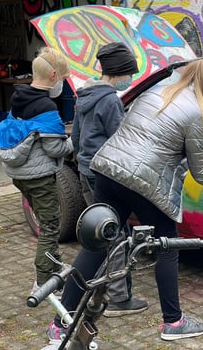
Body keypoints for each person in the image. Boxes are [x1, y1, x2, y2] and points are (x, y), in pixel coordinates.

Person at [47, 58, 203, 344]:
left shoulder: (155, 93)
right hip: (145, 183)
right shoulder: (198, 113)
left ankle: (61, 322)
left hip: (109, 170)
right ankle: (173, 322)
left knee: (96, 245)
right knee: (167, 247)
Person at [70, 42, 148, 317]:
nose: (131, 79)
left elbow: (76, 138)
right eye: (130, 74)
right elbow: (121, 142)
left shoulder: (84, 96)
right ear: (120, 72)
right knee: (115, 235)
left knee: (98, 232)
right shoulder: (111, 101)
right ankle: (118, 298)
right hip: (104, 175)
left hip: (86, 170)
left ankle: (94, 288)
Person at [0, 47, 73, 292]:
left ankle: (55, 265)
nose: (63, 84)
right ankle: (43, 280)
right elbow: (54, 149)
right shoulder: (46, 106)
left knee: (46, 218)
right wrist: (74, 141)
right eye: (63, 78)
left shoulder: (19, 95)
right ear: (53, 76)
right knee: (50, 225)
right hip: (39, 176)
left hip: (19, 174)